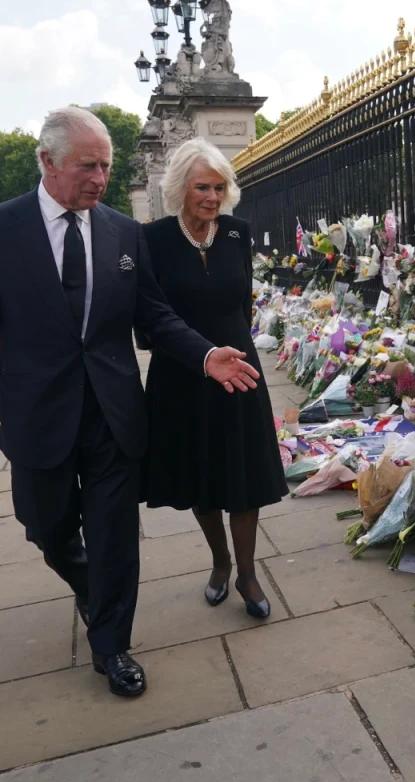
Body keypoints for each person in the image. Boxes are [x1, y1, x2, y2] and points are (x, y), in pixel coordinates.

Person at [0, 107, 260, 698]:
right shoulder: (6, 228)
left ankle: (112, 644)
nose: (99, 177)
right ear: (47, 163)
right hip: (37, 412)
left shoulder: (121, 231)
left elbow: (154, 314)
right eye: (87, 165)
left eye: (106, 165)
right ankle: (91, 585)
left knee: (116, 533)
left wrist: (203, 355)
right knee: (45, 524)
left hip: (114, 411)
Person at [139, 139, 287, 619]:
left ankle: (247, 571)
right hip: (183, 375)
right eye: (203, 186)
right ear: (180, 187)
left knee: (243, 475)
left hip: (239, 369)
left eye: (220, 187)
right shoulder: (154, 239)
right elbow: (150, 317)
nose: (212, 196)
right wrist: (200, 353)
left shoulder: (237, 233)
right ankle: (220, 562)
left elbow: (241, 303)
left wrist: (233, 346)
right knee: (203, 476)